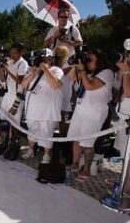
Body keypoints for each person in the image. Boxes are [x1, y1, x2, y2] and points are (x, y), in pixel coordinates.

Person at [67, 50, 114, 181]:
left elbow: (89, 86)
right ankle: (75, 164)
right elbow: (70, 78)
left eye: (90, 60)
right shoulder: (87, 72)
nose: (88, 62)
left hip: (95, 111)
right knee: (76, 138)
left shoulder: (107, 73)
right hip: (81, 108)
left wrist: (82, 70)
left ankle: (86, 170)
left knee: (87, 143)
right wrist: (76, 65)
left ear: (99, 61)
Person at [21, 48, 64, 164]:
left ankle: (46, 155)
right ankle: (31, 150)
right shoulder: (34, 71)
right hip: (33, 109)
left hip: (48, 110)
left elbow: (55, 84)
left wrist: (45, 69)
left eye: (44, 59)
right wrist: (32, 73)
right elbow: (24, 85)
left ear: (50, 59)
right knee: (32, 130)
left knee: (47, 133)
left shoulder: (57, 70)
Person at [0, 42, 29, 143]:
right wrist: (1, 70)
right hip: (7, 94)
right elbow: (2, 80)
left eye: (15, 53)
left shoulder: (23, 63)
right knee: (3, 118)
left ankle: (14, 142)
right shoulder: (10, 62)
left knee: (15, 122)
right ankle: (3, 140)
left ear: (20, 53)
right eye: (11, 52)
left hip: (17, 96)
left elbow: (20, 80)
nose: (12, 55)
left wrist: (7, 69)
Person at [114, 60, 130, 195]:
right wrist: (123, 68)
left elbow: (129, 92)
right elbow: (119, 81)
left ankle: (126, 190)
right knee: (124, 153)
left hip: (128, 119)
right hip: (124, 117)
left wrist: (126, 71)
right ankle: (124, 183)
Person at [54, 46, 71, 136]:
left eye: (59, 52)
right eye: (55, 52)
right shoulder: (55, 62)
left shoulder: (68, 61)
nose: (56, 54)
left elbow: (63, 72)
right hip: (56, 88)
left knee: (62, 115)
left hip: (65, 89)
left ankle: (63, 136)